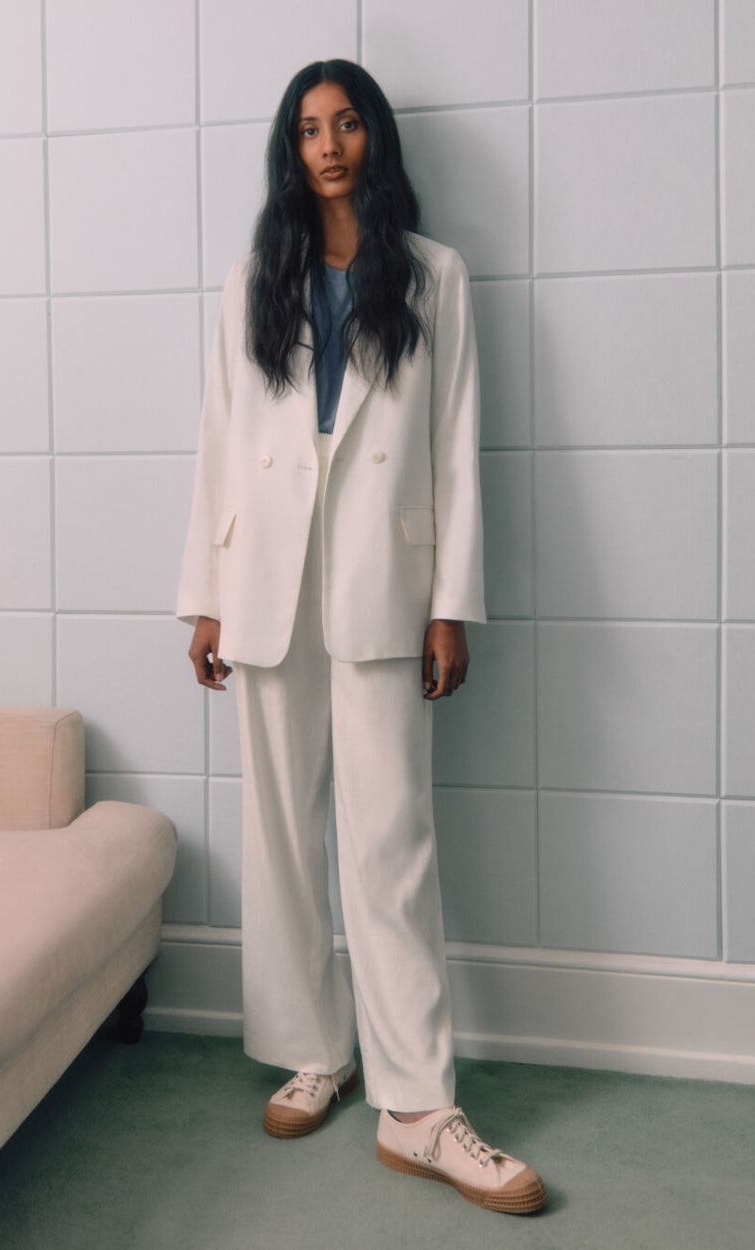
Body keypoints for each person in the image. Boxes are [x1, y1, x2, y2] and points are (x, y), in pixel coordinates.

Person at [177, 58, 546, 1215]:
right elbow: (219, 444)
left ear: (375, 139)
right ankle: (312, 1049)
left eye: (344, 125)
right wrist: (205, 593)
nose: (327, 145)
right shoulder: (253, 280)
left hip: (385, 580)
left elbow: (456, 442)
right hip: (267, 581)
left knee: (390, 838)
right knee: (282, 829)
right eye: (306, 130)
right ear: (290, 155)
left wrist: (452, 602)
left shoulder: (435, 277)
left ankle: (419, 1102)